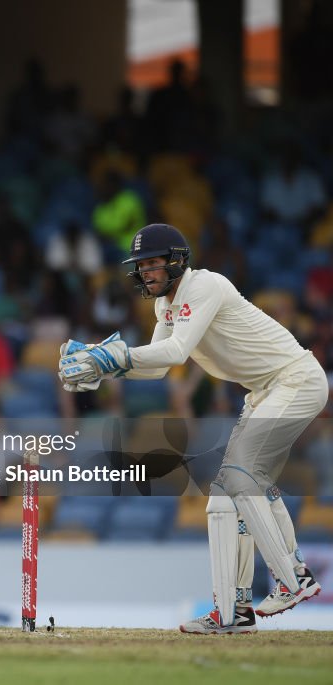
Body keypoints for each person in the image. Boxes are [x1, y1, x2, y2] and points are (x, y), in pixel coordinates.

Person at [58, 223, 325, 635]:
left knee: (240, 477)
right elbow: (160, 366)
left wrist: (111, 357)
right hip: (263, 392)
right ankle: (231, 614)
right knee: (222, 498)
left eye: (152, 263)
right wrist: (103, 366)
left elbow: (177, 350)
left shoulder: (206, 286)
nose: (145, 272)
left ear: (176, 261)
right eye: (140, 266)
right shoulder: (163, 307)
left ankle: (293, 578)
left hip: (296, 379)